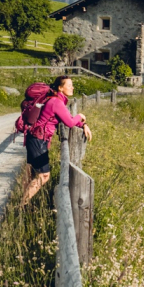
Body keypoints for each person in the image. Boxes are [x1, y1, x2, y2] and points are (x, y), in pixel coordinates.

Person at [21, 76, 92, 206]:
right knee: (44, 176)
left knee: (32, 173)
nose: (72, 87)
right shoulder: (56, 102)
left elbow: (67, 118)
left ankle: (22, 202)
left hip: (36, 138)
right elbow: (70, 122)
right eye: (69, 85)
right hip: (38, 139)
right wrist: (80, 117)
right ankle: (21, 206)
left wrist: (83, 125)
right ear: (60, 88)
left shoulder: (56, 100)